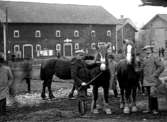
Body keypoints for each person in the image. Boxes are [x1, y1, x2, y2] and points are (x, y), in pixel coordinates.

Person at [142, 46, 165, 115]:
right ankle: (150, 108)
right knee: (149, 95)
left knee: (153, 94)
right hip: (146, 80)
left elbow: (162, 66)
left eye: (148, 49)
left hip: (153, 79)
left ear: (151, 50)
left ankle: (155, 109)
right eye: (145, 50)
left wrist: (155, 74)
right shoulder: (144, 59)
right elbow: (142, 68)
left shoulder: (155, 57)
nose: (146, 51)